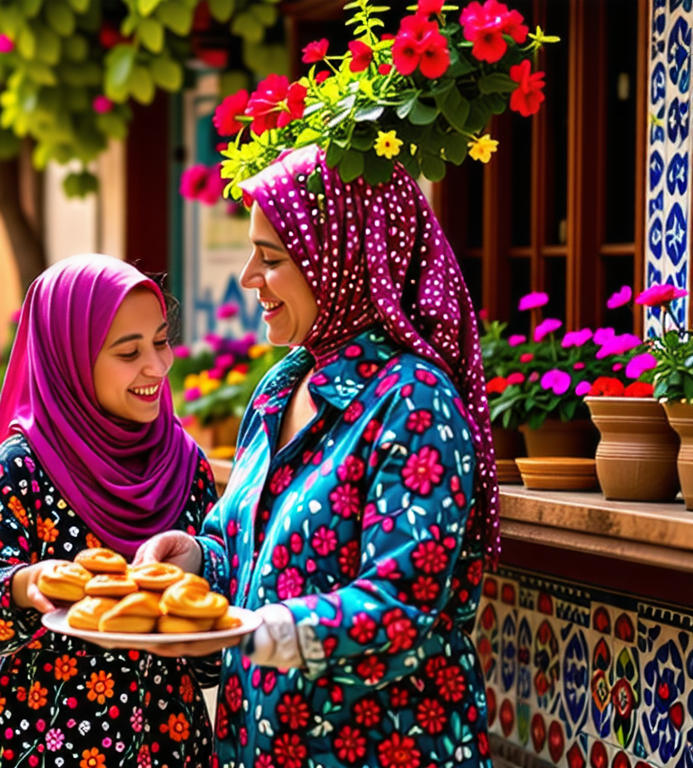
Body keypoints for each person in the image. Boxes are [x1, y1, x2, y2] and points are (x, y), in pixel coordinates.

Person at [135, 145, 498, 767]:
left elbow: (400, 607)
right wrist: (195, 560)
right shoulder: (281, 388)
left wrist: (261, 632)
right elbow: (242, 554)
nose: (249, 276)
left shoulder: (414, 404)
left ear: (343, 259)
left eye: (271, 257)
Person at [0, 254, 220, 768]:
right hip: (40, 739)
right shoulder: (26, 465)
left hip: (166, 741)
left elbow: (213, 654)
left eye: (161, 341)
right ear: (68, 358)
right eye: (128, 351)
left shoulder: (186, 466)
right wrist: (31, 585)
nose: (157, 366)